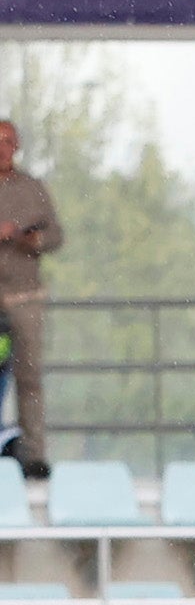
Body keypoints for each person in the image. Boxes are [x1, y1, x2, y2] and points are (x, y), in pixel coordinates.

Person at [0, 120, 62, 479]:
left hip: (24, 295)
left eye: (8, 141)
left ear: (17, 145)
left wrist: (28, 239)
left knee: (29, 377)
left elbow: (55, 235)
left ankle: (34, 454)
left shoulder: (33, 189)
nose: (2, 148)